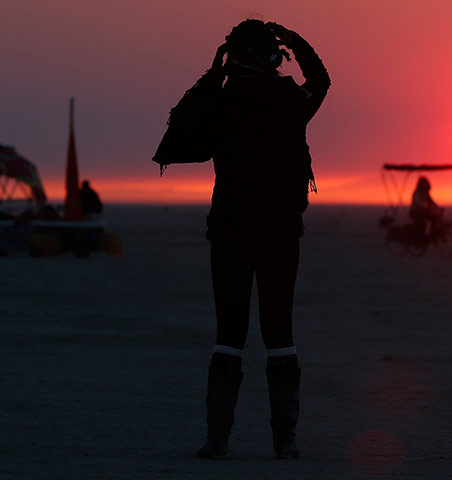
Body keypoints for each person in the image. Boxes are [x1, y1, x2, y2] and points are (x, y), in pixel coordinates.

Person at [159, 20, 330, 459]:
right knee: (280, 334)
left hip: (231, 232)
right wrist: (295, 40)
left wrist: (211, 74)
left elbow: (178, 135)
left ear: (232, 57)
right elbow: (321, 80)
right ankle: (284, 441)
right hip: (280, 234)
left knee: (228, 335)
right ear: (273, 58)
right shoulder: (291, 100)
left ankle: (218, 439)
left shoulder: (221, 101)